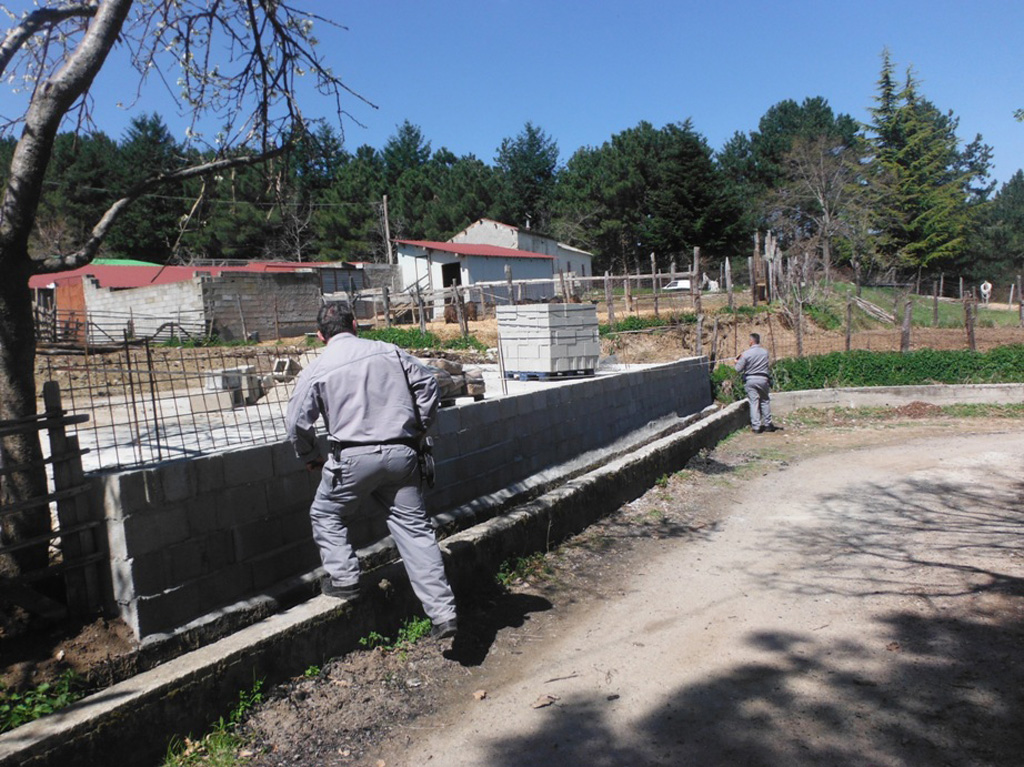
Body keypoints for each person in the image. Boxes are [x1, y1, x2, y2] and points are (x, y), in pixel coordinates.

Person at [285, 302, 458, 640]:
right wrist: (418, 428)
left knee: (326, 514)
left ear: (320, 336)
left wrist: (309, 453)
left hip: (351, 460)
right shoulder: (389, 351)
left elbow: (296, 422)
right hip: (401, 454)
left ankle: (345, 579)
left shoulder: (317, 368)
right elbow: (429, 384)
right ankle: (443, 614)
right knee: (415, 532)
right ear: (355, 325)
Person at [735, 332, 779, 434]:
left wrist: (737, 362)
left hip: (751, 380)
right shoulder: (765, 352)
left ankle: (756, 426)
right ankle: (768, 424)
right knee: (765, 401)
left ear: (751, 341)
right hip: (763, 379)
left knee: (754, 403)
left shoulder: (745, 354)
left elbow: (738, 369)